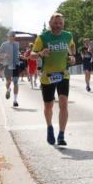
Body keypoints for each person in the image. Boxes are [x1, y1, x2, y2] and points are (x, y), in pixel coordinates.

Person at [31, 13, 76, 146]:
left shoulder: (68, 35)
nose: (58, 26)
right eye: (55, 23)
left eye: (60, 23)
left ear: (63, 24)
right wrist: (40, 53)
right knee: (48, 106)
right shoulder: (43, 37)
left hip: (63, 74)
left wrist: (72, 56)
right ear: (50, 23)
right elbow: (32, 55)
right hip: (47, 76)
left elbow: (72, 46)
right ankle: (50, 127)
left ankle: (61, 134)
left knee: (63, 103)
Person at [0, 31, 23, 107]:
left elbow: (17, 53)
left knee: (15, 82)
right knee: (8, 81)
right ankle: (8, 90)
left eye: (13, 36)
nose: (12, 37)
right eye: (10, 36)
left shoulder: (17, 44)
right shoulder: (4, 44)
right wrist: (5, 55)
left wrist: (20, 55)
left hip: (16, 65)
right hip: (7, 65)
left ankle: (15, 101)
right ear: (8, 37)